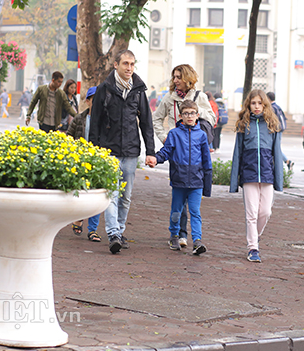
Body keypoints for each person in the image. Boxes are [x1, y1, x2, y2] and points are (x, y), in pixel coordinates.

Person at [89, 50, 156, 254]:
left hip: (130, 151)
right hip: (108, 150)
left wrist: (150, 151)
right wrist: (93, 150)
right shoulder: (105, 89)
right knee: (112, 193)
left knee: (125, 196)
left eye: (132, 64)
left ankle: (119, 229)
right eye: (125, 63)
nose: (129, 68)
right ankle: (113, 234)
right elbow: (96, 123)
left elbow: (146, 123)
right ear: (116, 65)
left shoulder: (138, 91)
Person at [152, 64, 216, 248]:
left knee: (193, 205)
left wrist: (194, 111)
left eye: (179, 77)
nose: (175, 80)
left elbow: (211, 119)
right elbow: (156, 118)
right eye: (174, 77)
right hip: (176, 147)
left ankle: (191, 237)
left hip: (194, 145)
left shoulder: (200, 97)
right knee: (179, 201)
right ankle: (178, 233)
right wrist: (164, 138)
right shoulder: (169, 98)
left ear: (187, 78)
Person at [230, 90, 283, 263]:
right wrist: (234, 180)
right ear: (248, 105)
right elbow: (237, 152)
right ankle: (253, 248)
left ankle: (255, 236)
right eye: (253, 103)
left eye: (260, 103)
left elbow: (277, 152)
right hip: (249, 173)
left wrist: (279, 179)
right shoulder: (244, 125)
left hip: (267, 173)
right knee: (251, 214)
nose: (257, 106)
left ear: (265, 104)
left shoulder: (272, 125)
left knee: (265, 212)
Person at [67, 86, 99, 237]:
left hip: (98, 161)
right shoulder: (80, 119)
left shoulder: (105, 121)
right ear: (88, 101)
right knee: (80, 191)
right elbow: (69, 136)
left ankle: (93, 229)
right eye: (95, 100)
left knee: (97, 193)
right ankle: (78, 218)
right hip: (81, 160)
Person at [267, 92, 293, 171]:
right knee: (275, 148)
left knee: (275, 148)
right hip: (279, 130)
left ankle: (287, 161)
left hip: (275, 131)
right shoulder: (277, 107)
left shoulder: (272, 108)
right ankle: (287, 161)